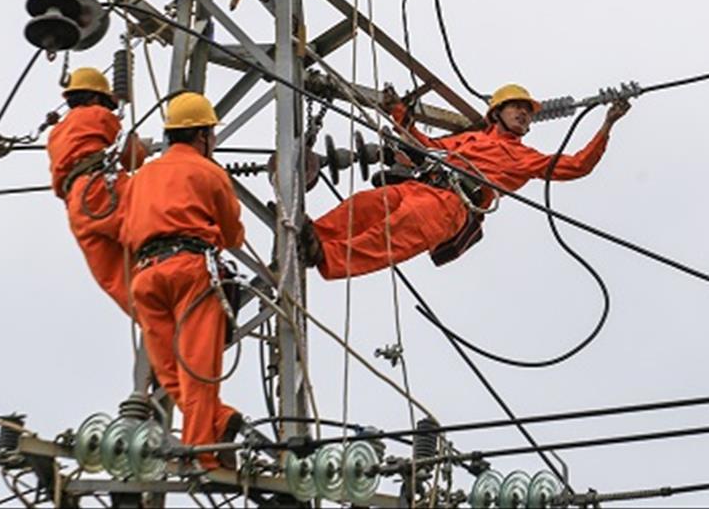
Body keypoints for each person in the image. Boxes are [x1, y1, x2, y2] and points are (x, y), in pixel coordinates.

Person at [301, 83, 631, 279]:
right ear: (496, 112)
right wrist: (400, 115)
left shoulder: (525, 157)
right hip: (423, 186)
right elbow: (424, 148)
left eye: (527, 112)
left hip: (451, 205)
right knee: (366, 204)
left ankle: (328, 257)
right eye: (516, 108)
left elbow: (576, 166)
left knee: (396, 231)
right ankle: (314, 236)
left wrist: (607, 125)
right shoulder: (468, 141)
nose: (523, 114)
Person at [119, 92, 245, 469]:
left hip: (146, 277)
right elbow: (233, 234)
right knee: (198, 370)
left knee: (169, 369)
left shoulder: (141, 177)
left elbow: (126, 230)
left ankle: (216, 424)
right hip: (190, 272)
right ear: (202, 135)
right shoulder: (209, 173)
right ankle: (202, 455)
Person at [47, 67, 147, 314]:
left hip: (76, 205)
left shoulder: (56, 132)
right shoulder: (99, 116)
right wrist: (142, 147)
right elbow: (132, 157)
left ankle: (150, 313)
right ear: (94, 98)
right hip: (101, 186)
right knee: (156, 222)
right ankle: (184, 293)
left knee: (116, 275)